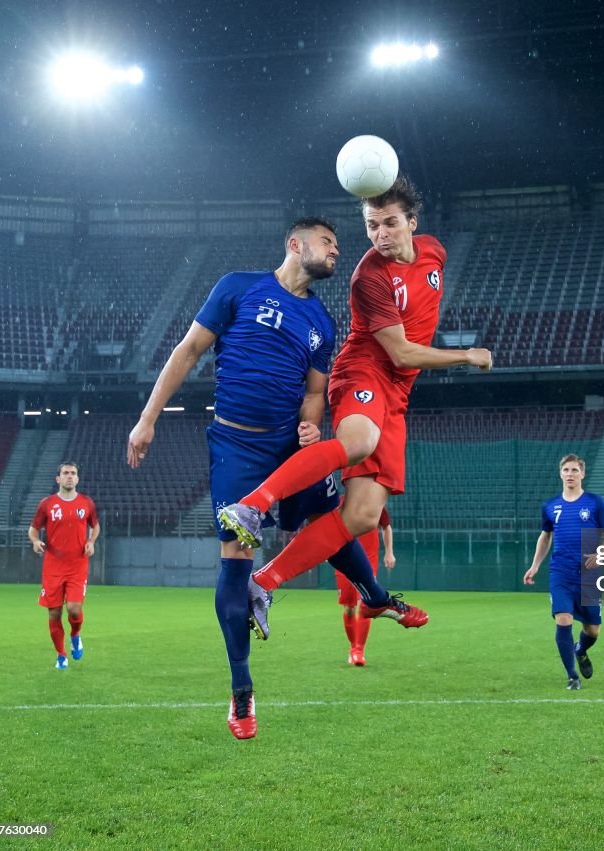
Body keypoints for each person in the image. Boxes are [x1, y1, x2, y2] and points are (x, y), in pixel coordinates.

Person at [127, 217, 395, 740]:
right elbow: (187, 351)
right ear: (295, 245)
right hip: (235, 445)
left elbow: (316, 392)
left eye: (339, 246)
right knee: (235, 556)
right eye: (328, 242)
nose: (336, 250)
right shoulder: (238, 287)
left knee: (330, 519)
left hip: (286, 449)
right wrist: (147, 417)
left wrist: (311, 424)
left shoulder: (322, 321)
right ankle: (242, 690)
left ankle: (376, 595)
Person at [218, 174, 493, 638]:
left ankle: (262, 582)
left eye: (389, 223)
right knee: (359, 441)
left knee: (362, 515)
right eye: (371, 226)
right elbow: (401, 353)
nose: (380, 235)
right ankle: (253, 504)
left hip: (399, 393)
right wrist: (466, 355)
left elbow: (410, 348)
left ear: (412, 222)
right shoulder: (369, 276)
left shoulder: (435, 252)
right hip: (365, 368)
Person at [523, 454, 604, 690]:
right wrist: (535, 566)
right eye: (566, 470)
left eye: (575, 470)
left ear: (582, 474)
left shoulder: (595, 502)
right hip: (561, 572)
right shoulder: (551, 506)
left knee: (592, 630)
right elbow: (545, 536)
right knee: (563, 619)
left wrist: (602, 554)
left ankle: (581, 649)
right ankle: (572, 676)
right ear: (560, 473)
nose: (570, 474)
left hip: (589, 575)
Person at [28, 462, 100, 670]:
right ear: (58, 479)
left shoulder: (86, 503)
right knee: (54, 614)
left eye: (73, 473)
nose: (70, 476)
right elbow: (33, 530)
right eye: (65, 473)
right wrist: (35, 541)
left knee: (74, 609)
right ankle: (61, 655)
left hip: (77, 565)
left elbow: (95, 527)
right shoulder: (47, 504)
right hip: (53, 567)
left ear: (77, 479)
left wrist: (91, 542)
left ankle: (75, 635)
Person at [339, 506, 395, 666]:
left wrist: (389, 552)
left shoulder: (376, 502)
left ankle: (359, 651)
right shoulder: (341, 502)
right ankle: (353, 647)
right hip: (344, 558)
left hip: (368, 558)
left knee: (365, 602)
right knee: (349, 608)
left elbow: (386, 527)